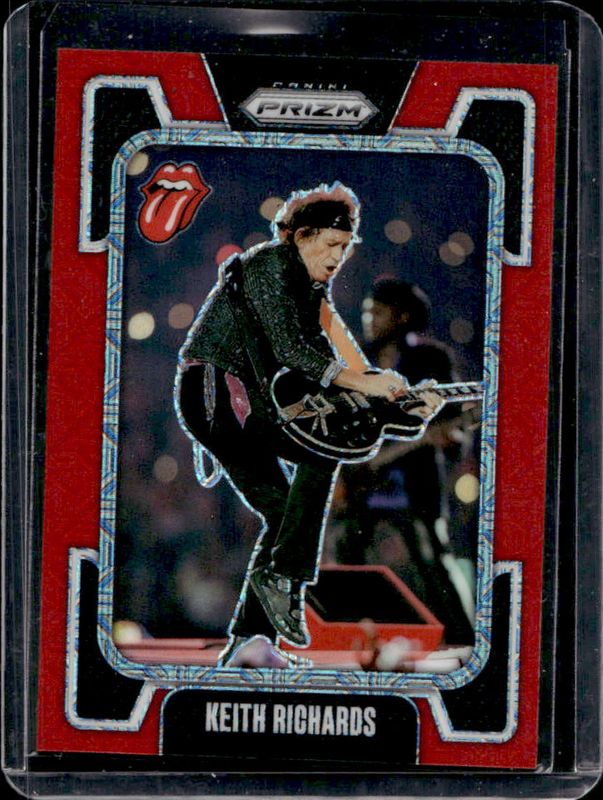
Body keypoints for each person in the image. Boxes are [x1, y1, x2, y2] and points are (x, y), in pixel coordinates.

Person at [175, 184, 444, 667]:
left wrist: (401, 407)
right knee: (313, 468)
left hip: (249, 403)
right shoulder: (271, 265)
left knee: (288, 510)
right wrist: (370, 385)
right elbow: (294, 353)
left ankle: (252, 638)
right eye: (332, 245)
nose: (339, 257)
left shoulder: (309, 286)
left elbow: (333, 370)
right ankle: (283, 582)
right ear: (302, 236)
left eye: (346, 248)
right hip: (218, 397)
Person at [339, 278, 476, 644]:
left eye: (378, 313)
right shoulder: (356, 362)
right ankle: (347, 637)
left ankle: (463, 641)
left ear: (401, 317)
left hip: (414, 484)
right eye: (367, 312)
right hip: (364, 486)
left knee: (433, 561)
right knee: (347, 559)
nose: (369, 320)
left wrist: (452, 440)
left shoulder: (430, 359)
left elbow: (454, 421)